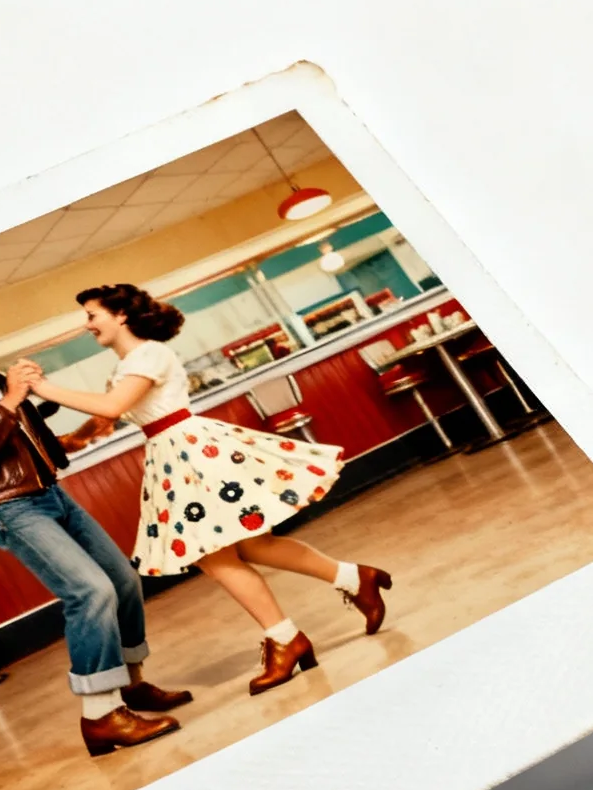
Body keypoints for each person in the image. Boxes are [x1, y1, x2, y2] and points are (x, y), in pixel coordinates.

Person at [30, 283, 394, 695]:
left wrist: (41, 388)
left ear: (120, 316)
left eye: (92, 315)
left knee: (211, 555)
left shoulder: (149, 354)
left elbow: (113, 406)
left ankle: (286, 638)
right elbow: (110, 414)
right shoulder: (129, 363)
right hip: (177, 452)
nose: (88, 325)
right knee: (255, 546)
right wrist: (75, 439)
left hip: (188, 452)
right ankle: (353, 577)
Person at [0, 294, 192, 758]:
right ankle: (100, 717)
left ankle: (130, 688)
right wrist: (12, 398)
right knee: (91, 592)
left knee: (123, 581)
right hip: (9, 509)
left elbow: (23, 432)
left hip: (51, 494)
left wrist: (73, 433)